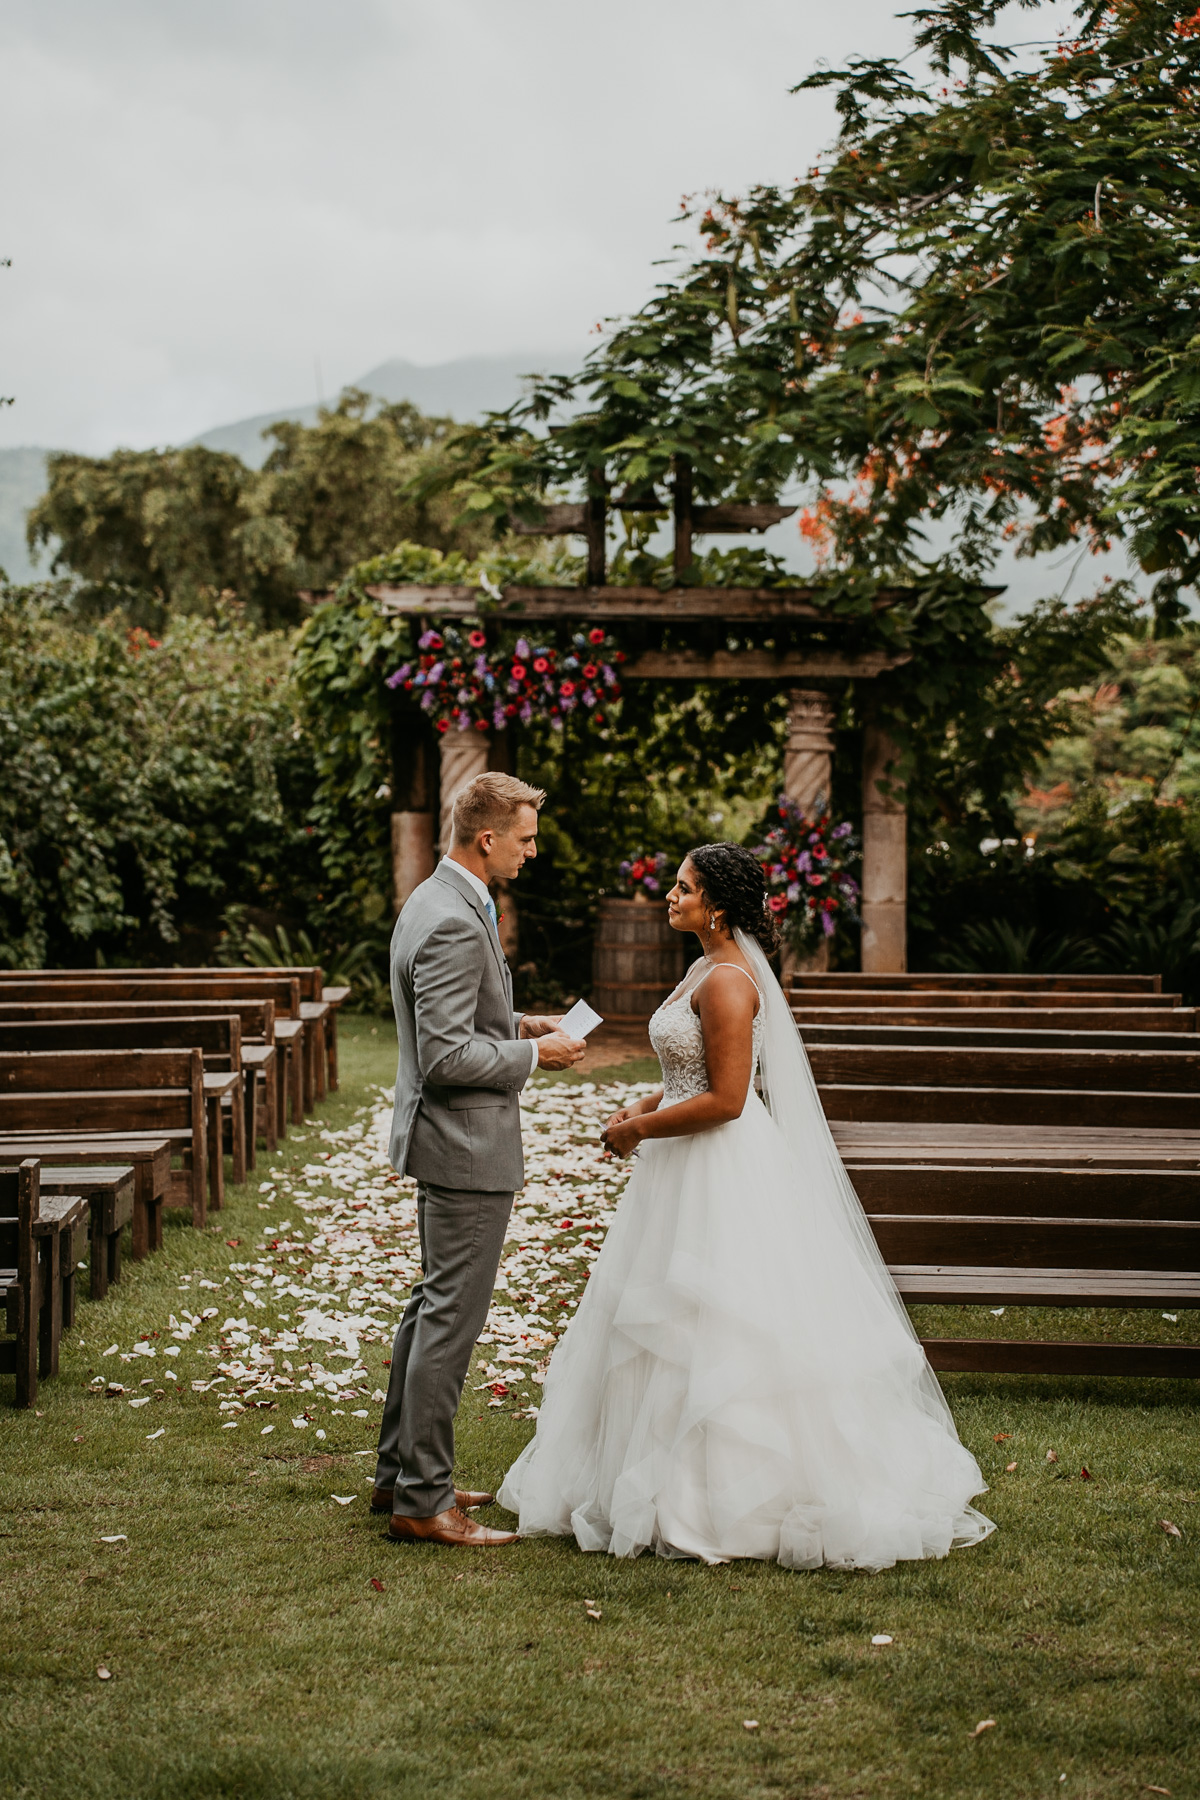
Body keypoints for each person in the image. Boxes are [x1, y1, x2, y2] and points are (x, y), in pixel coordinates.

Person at [498, 842, 995, 1570]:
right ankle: (653, 1479)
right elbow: (686, 1075)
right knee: (661, 1320)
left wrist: (638, 1130)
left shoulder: (730, 982)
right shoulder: (702, 964)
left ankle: (726, 1498)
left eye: (684, 887)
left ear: (719, 907)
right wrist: (643, 1102)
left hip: (720, 1172)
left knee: (722, 1321)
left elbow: (728, 1100)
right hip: (679, 1168)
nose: (670, 895)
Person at [373, 771, 586, 1548]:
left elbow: (465, 1019)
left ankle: (403, 1477)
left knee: (429, 1311)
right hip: (464, 1146)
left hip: (449, 1140)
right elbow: (446, 1057)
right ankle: (423, 1503)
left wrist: (523, 1025)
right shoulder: (455, 918)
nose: (531, 853)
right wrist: (536, 1060)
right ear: (487, 837)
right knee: (449, 1325)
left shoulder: (443, 898)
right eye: (525, 840)